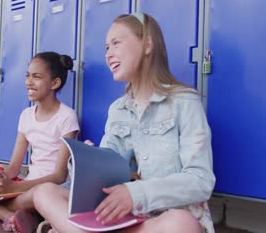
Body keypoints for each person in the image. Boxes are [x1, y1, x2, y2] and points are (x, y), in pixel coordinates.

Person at [33, 13, 216, 233]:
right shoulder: (117, 109)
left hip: (165, 220)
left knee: (181, 225)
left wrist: (136, 194)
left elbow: (200, 181)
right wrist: (87, 163)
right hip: (128, 219)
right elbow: (108, 175)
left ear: (147, 44)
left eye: (116, 43)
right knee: (45, 193)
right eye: (106, 48)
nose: (108, 54)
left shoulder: (184, 101)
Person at [0, 51, 80, 233]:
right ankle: (7, 215)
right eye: (27, 75)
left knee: (36, 196)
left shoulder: (66, 117)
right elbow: (13, 168)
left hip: (46, 190)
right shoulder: (26, 116)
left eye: (36, 77)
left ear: (55, 83)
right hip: (22, 187)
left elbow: (59, 176)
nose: (29, 82)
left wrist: (12, 187)